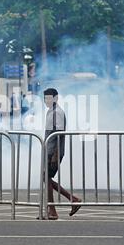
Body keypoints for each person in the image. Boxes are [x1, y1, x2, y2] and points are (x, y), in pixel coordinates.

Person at [43, 88, 81, 220]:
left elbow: (60, 135)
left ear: (56, 98)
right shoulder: (50, 111)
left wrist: (55, 154)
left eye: (49, 98)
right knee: (46, 178)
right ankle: (72, 199)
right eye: (45, 98)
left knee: (46, 178)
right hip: (49, 150)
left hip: (53, 151)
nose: (47, 100)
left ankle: (53, 210)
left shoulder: (57, 113)